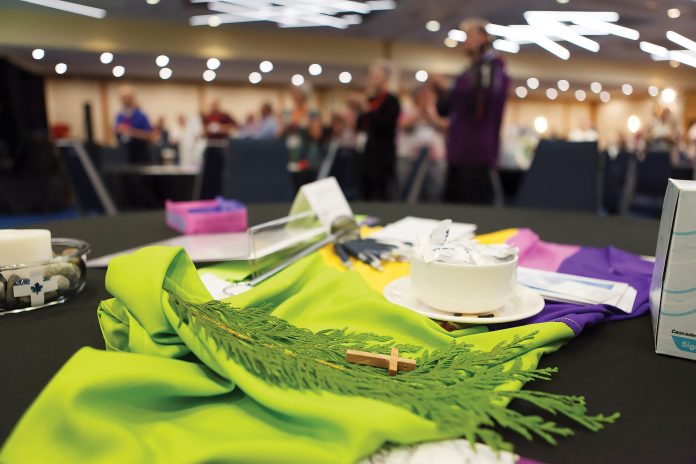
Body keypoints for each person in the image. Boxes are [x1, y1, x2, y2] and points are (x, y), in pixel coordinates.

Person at [434, 18, 510, 204]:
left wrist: (450, 89)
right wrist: (443, 92)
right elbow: (446, 109)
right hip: (458, 151)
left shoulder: (493, 68)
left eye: (469, 36)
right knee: (453, 205)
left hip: (477, 153)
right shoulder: (467, 73)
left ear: (483, 38)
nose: (465, 42)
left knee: (473, 206)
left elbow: (482, 100)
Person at [397, 84, 448, 201]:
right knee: (408, 192)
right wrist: (421, 111)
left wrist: (430, 116)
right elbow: (405, 125)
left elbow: (446, 126)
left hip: (434, 160)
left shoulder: (439, 110)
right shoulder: (407, 108)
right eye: (424, 95)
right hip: (409, 158)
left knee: (434, 193)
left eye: (430, 95)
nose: (427, 97)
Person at [361, 60, 401, 201]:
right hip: (369, 151)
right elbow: (361, 126)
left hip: (384, 154)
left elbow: (385, 124)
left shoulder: (392, 101)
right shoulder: (371, 99)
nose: (372, 79)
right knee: (367, 188)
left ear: (386, 78)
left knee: (381, 190)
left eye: (376, 76)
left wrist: (369, 111)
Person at [115, 86, 153, 164]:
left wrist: (130, 131)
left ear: (133, 98)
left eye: (128, 97)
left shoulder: (140, 115)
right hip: (125, 155)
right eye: (123, 97)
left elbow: (149, 135)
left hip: (140, 155)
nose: (126, 100)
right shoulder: (120, 116)